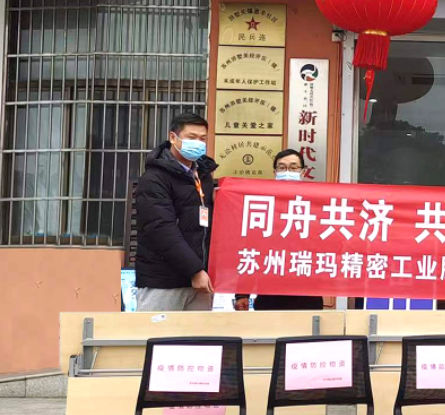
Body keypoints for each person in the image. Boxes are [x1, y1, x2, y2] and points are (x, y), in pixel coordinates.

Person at [134, 112, 218, 312]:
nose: (198, 143)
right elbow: (162, 229)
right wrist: (195, 270)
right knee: (155, 332)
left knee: (197, 333)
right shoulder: (155, 178)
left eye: (202, 139)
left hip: (199, 282)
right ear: (173, 137)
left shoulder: (203, 176)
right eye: (191, 137)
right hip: (164, 281)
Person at [234, 149, 326, 312]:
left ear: (303, 172)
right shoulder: (263, 204)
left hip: (307, 291)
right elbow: (250, 247)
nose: (287, 172)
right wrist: (242, 293)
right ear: (275, 172)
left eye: (294, 167)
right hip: (270, 291)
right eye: (282, 168)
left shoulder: (316, 204)